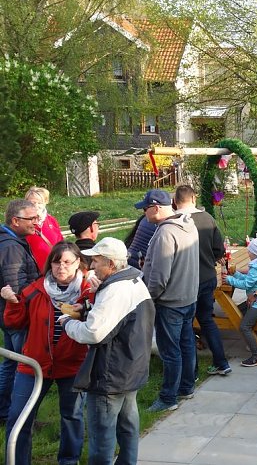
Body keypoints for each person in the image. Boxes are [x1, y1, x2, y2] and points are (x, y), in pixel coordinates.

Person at [63, 237, 155, 465]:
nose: (92, 266)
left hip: (110, 375)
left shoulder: (115, 291)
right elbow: (118, 320)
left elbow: (93, 333)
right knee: (128, 428)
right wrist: (87, 308)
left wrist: (67, 322)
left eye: (96, 261)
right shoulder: (133, 280)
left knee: (102, 438)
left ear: (111, 265)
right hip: (131, 368)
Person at [1, 242, 91, 465]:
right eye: (56, 261)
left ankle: (69, 461)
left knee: (72, 416)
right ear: (50, 263)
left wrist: (93, 301)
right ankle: (19, 461)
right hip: (34, 365)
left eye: (68, 262)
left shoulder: (89, 289)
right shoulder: (35, 289)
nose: (61, 267)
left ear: (78, 263)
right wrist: (12, 303)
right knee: (18, 417)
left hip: (72, 365)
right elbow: (14, 322)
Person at [140, 189, 200, 412]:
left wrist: (149, 298)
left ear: (156, 208)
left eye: (145, 208)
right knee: (186, 344)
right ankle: (187, 387)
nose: (143, 213)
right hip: (188, 297)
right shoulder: (188, 224)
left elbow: (159, 277)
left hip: (170, 302)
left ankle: (168, 398)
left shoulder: (166, 233)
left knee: (170, 351)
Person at [173, 185, 231, 377]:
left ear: (175, 201)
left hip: (186, 281)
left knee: (187, 324)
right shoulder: (208, 218)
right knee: (207, 319)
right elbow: (219, 250)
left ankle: (192, 372)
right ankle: (222, 362)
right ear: (194, 198)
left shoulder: (174, 222)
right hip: (207, 276)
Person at [0, 199, 41, 422]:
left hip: (7, 316)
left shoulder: (11, 241)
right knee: (24, 367)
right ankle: (20, 418)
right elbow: (16, 290)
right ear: (15, 221)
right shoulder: (11, 247)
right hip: (18, 317)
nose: (36, 222)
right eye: (31, 218)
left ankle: (5, 412)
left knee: (11, 363)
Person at [226, 237, 257, 367]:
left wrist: (230, 280)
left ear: (256, 253)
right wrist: (235, 275)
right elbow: (250, 279)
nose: (248, 254)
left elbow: (246, 284)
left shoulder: (256, 268)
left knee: (244, 326)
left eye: (250, 252)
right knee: (237, 311)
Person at [24, 186, 64, 271]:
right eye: (32, 202)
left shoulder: (51, 220)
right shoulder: (23, 221)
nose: (36, 205)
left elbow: (61, 243)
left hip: (53, 268)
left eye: (39, 202)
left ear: (45, 203)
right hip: (31, 270)